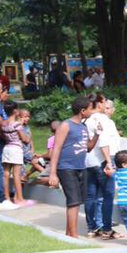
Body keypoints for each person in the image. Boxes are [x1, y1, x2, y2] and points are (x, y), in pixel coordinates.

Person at [48, 94, 101, 236]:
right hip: (66, 168)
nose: (92, 112)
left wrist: (97, 134)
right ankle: (74, 235)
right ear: (82, 111)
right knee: (73, 201)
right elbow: (56, 148)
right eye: (90, 109)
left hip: (81, 168)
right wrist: (53, 173)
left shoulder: (83, 126)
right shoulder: (66, 125)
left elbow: (88, 148)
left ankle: (69, 234)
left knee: (77, 202)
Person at [85, 97, 121, 238]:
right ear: (99, 104)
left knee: (91, 196)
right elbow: (103, 142)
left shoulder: (87, 120)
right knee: (108, 195)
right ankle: (107, 229)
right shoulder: (103, 120)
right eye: (104, 101)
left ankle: (92, 227)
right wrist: (108, 162)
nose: (105, 104)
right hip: (102, 161)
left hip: (89, 162)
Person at [0, 101, 32, 210]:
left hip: (7, 148)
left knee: (6, 173)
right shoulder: (17, 125)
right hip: (16, 149)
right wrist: (29, 136)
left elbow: (1, 134)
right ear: (15, 111)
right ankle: (20, 199)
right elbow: (25, 140)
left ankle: (7, 198)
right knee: (16, 174)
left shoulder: (3, 124)